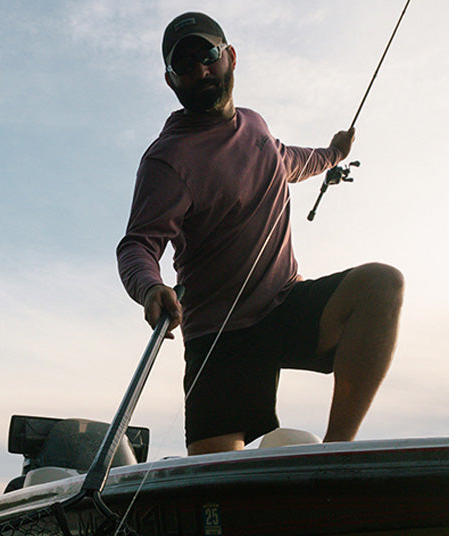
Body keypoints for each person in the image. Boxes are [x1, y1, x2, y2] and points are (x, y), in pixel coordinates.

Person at [116, 11, 404, 455]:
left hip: (284, 305)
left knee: (381, 284)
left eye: (208, 55)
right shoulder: (167, 160)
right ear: (171, 81)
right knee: (216, 480)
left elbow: (290, 161)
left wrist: (334, 152)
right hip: (220, 335)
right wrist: (150, 287)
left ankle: (337, 454)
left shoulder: (256, 127)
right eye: (185, 65)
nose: (201, 71)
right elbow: (138, 244)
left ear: (230, 56)